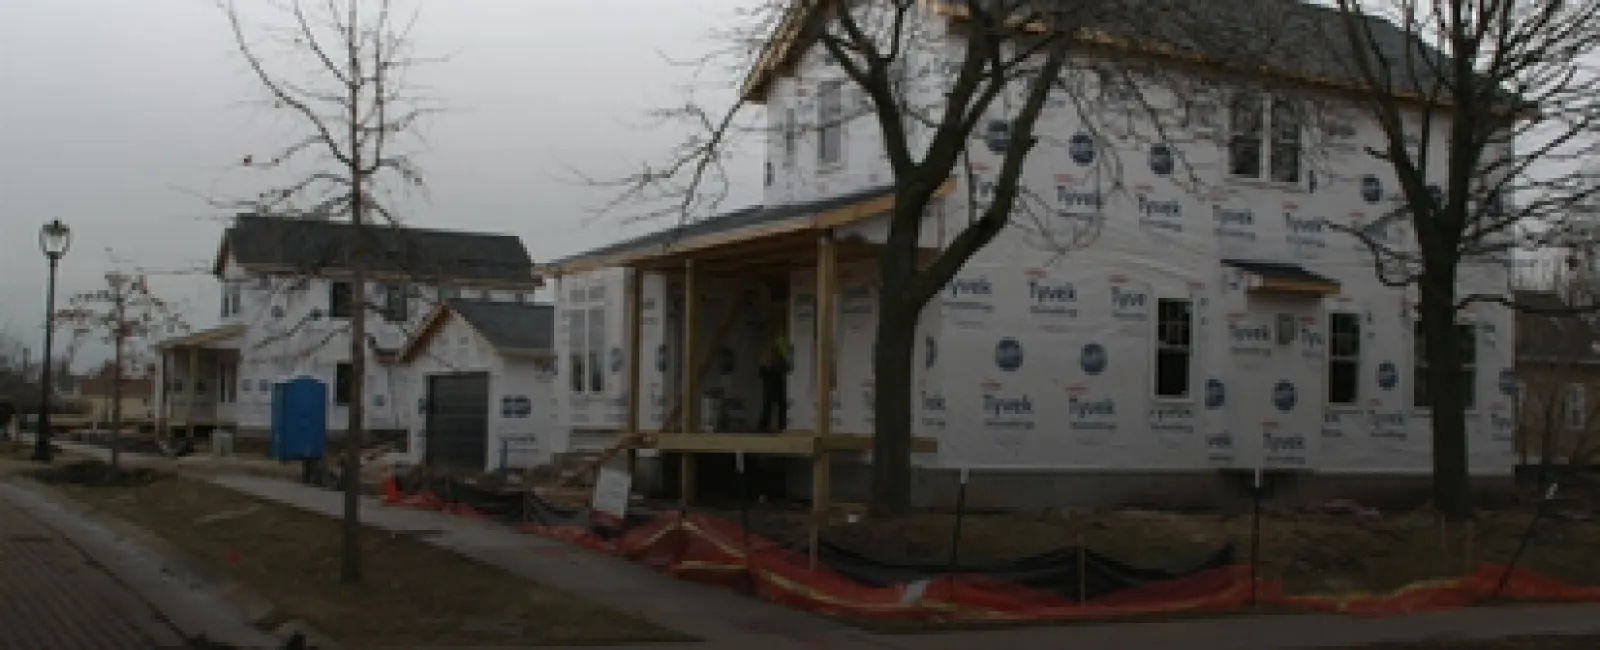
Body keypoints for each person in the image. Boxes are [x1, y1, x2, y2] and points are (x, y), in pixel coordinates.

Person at [757, 316, 790, 433]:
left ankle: (765, 425)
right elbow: (785, 354)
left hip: (767, 370)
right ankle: (780, 425)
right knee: (779, 400)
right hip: (772, 370)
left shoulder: (770, 338)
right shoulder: (779, 337)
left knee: (769, 400)